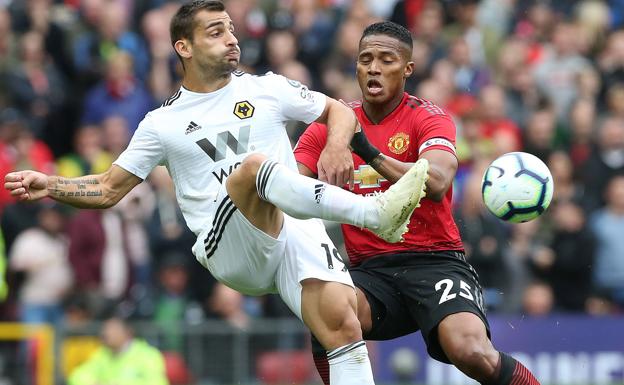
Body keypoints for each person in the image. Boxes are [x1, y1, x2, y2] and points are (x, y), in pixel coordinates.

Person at [4, 2, 429, 384]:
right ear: (183, 47)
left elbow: (337, 109)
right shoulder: (162, 122)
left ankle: (373, 216)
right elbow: (109, 188)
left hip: (290, 228)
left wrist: (337, 145)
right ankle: (375, 212)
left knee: (342, 323)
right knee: (256, 169)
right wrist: (51, 185)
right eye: (215, 32)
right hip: (229, 247)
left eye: (230, 29)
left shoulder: (267, 88)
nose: (231, 39)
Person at [294, 21, 541, 385]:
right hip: (370, 272)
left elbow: (438, 182)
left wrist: (364, 148)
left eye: (386, 59)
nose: (373, 67)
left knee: (472, 353)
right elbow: (287, 185)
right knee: (324, 313)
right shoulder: (329, 127)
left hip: (435, 262)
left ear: (407, 69)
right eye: (365, 59)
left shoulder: (428, 117)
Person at [67, 316, 169, 385]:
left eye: (112, 329)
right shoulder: (102, 354)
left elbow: (157, 382)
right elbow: (76, 377)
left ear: (127, 332)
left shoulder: (148, 355)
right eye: (105, 330)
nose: (106, 334)